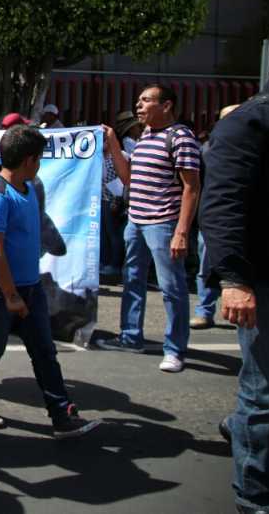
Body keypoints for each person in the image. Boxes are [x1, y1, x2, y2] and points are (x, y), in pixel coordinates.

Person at [0, 124, 101, 438]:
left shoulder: (29, 189)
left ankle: (61, 414)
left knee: (44, 352)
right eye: (38, 158)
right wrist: (11, 296)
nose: (39, 163)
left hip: (30, 287)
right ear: (29, 160)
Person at [199, 63, 269, 514]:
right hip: (264, 282)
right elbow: (222, 204)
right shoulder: (248, 123)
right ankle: (256, 499)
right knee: (265, 395)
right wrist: (233, 280)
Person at [99, 84, 201, 373]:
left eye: (145, 101)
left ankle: (175, 349)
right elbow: (129, 178)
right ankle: (131, 337)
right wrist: (115, 146)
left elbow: (192, 187)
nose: (139, 107)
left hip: (163, 225)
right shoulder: (145, 137)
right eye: (138, 101)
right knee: (132, 281)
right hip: (136, 221)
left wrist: (181, 231)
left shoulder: (180, 138)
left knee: (172, 288)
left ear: (166, 105)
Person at [191, 103, 238, 330]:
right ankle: (204, 310)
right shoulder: (207, 149)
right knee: (207, 267)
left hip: (248, 220)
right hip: (214, 220)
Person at [100, 110, 141, 281]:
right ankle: (106, 262)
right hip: (103, 200)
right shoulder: (98, 157)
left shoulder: (122, 155)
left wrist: (120, 198)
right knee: (106, 234)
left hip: (115, 200)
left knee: (115, 234)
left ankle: (115, 265)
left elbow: (125, 178)